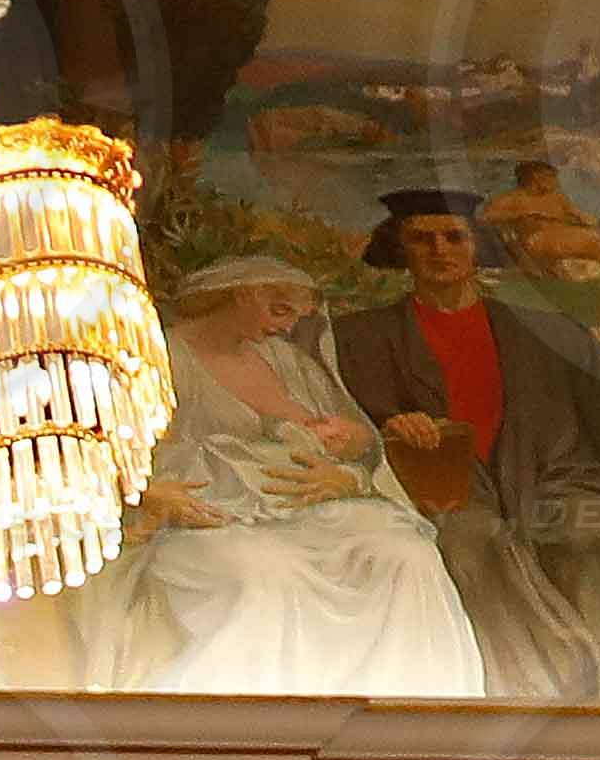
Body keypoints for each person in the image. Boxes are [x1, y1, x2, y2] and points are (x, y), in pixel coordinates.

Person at [319, 190, 600, 699]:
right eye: (422, 240)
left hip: (556, 477)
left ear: (476, 246)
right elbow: (339, 415)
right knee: (472, 547)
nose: (440, 250)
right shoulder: (360, 335)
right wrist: (391, 427)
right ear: (400, 249)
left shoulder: (543, 328)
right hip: (437, 490)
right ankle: (530, 701)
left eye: (454, 237)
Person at [80, 254, 489, 696]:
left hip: (307, 514)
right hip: (207, 518)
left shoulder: (287, 362)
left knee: (407, 555)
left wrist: (348, 474)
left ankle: (412, 706)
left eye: (296, 316)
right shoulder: (154, 360)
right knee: (267, 576)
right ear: (239, 296)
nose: (286, 326)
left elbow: (358, 444)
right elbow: (94, 449)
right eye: (279, 310)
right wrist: (147, 493)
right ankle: (261, 724)